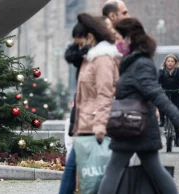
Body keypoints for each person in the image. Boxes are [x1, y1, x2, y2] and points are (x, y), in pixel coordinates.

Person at [98, 18, 179, 194]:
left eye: (118, 37)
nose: (116, 41)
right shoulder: (132, 61)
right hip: (134, 124)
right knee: (155, 170)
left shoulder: (141, 64)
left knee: (114, 170)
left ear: (129, 38)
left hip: (134, 124)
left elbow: (155, 93)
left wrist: (177, 118)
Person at [59, 13, 121, 194]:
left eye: (81, 42)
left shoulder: (101, 59)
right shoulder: (91, 57)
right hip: (86, 125)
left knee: (75, 174)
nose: (79, 48)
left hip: (94, 127)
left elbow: (105, 94)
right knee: (75, 174)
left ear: (91, 36)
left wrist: (100, 126)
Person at [64, 22, 90, 138]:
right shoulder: (75, 49)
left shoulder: (93, 49)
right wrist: (81, 50)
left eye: (78, 38)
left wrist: (86, 49)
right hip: (80, 84)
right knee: (77, 106)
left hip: (90, 86)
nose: (76, 41)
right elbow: (70, 57)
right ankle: (73, 129)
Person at [158, 54, 179, 147]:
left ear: (175, 63)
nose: (170, 63)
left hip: (177, 94)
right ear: (165, 62)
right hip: (165, 93)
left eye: (172, 61)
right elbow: (157, 81)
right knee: (161, 104)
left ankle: (178, 137)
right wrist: (157, 87)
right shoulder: (161, 70)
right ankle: (162, 119)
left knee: (177, 115)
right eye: (168, 61)